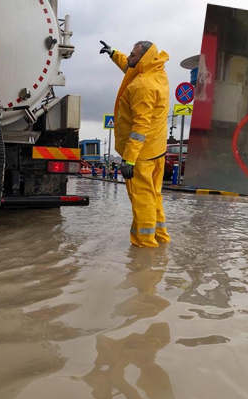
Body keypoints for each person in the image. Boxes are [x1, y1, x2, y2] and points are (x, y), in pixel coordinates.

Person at [99, 40, 170, 247]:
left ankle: (145, 246)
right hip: (156, 150)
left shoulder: (142, 86)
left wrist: (128, 160)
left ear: (143, 59)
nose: (129, 57)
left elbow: (140, 127)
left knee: (142, 199)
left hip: (140, 156)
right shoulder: (157, 72)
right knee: (154, 196)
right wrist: (114, 54)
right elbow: (130, 66)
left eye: (133, 54)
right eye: (129, 53)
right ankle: (161, 238)